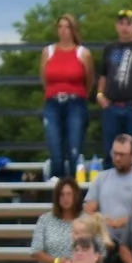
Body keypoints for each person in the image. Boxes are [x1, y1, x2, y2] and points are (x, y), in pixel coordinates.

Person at [41, 13, 95, 183]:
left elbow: (90, 80)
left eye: (67, 27)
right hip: (53, 103)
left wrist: (79, 95)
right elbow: (44, 79)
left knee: (74, 149)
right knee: (55, 150)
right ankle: (55, 191)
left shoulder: (83, 53)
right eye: (60, 27)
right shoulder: (48, 51)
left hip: (75, 103)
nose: (63, 31)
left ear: (73, 30)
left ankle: (75, 189)